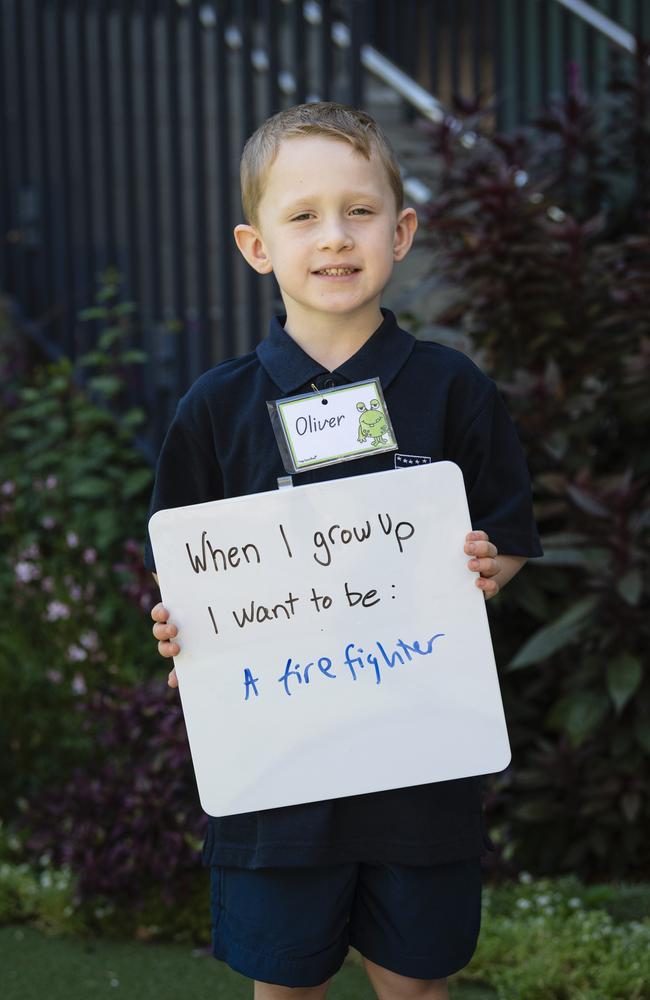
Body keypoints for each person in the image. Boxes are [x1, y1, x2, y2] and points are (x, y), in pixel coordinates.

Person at [145, 102, 542, 1000]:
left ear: (402, 233)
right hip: (277, 778)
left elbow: (509, 536)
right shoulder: (214, 409)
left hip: (420, 767)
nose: (335, 237)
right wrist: (182, 636)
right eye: (303, 216)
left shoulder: (451, 388)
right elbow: (180, 566)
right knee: (285, 987)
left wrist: (488, 569)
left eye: (360, 211)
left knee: (415, 983)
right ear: (256, 246)